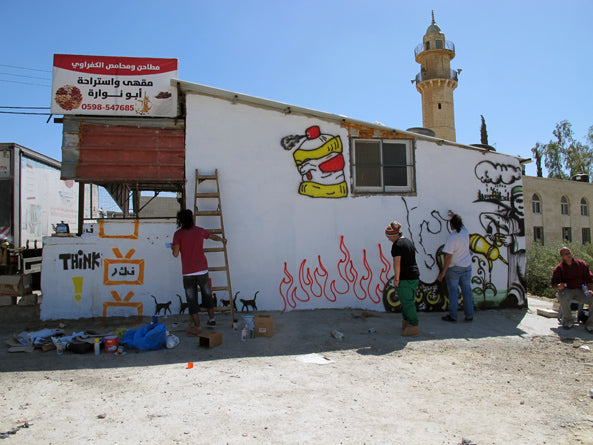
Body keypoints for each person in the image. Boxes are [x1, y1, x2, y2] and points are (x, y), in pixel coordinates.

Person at [172, 209, 227, 334]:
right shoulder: (200, 231)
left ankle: (197, 326)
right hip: (202, 270)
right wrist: (223, 240)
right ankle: (212, 319)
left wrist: (173, 247)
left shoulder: (178, 234)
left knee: (192, 300)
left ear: (180, 220)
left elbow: (175, 254)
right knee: (207, 295)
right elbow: (212, 237)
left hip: (188, 273)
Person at [437, 212, 474, 322]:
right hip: (466, 267)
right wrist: (454, 215)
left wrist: (443, 273)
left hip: (454, 268)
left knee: (453, 292)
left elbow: (448, 257)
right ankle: (469, 315)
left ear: (452, 225)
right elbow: (461, 225)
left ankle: (453, 315)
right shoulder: (465, 232)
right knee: (467, 291)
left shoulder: (452, 238)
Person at [385, 221, 420, 337]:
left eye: (389, 236)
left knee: (407, 303)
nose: (388, 239)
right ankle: (407, 322)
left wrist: (397, 278)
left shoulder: (397, 245)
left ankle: (414, 326)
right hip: (414, 275)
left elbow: (397, 262)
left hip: (405, 277)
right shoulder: (408, 242)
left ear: (394, 235)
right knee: (407, 301)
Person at [550, 247, 593, 332]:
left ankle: (590, 323)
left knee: (592, 298)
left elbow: (590, 278)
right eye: (566, 254)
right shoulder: (559, 268)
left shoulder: (581, 264)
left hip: (582, 288)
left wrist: (591, 290)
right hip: (567, 290)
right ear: (562, 256)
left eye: (569, 253)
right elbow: (554, 283)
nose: (568, 255)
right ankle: (568, 321)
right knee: (562, 296)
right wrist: (558, 286)